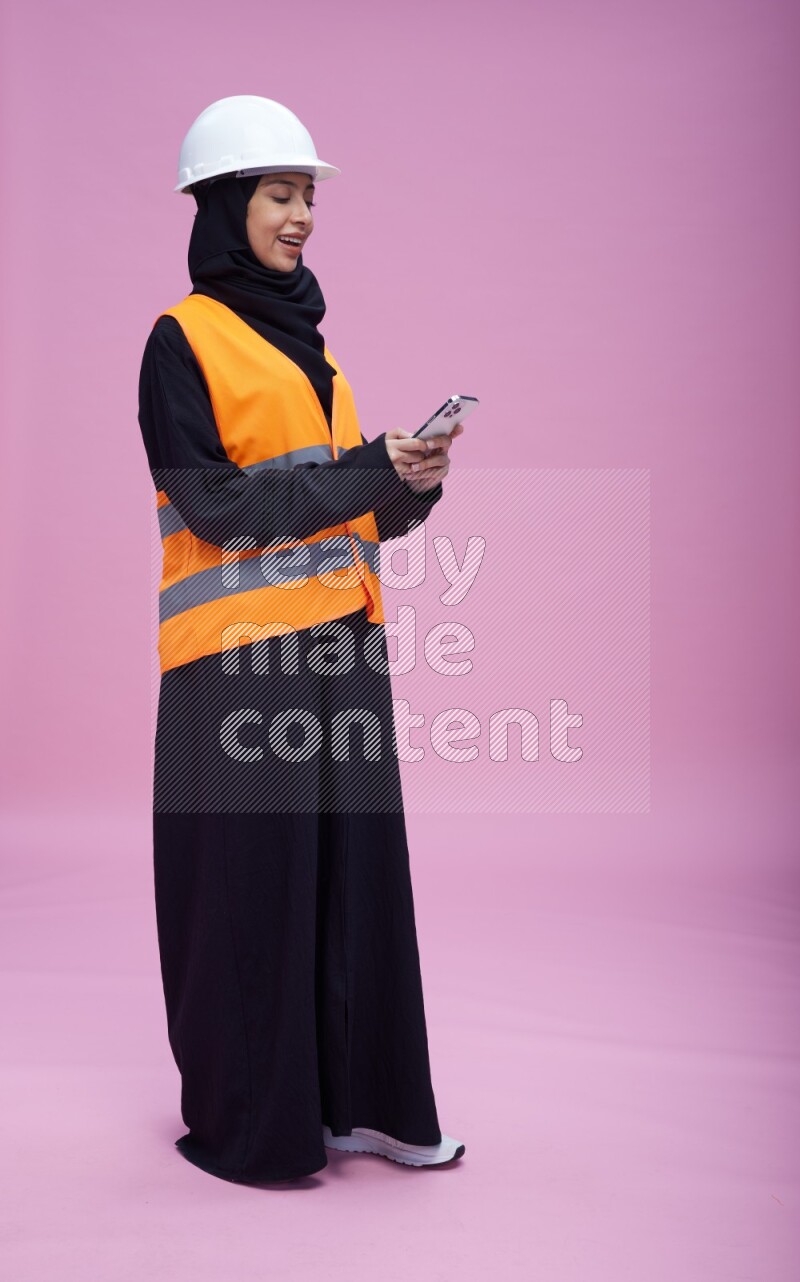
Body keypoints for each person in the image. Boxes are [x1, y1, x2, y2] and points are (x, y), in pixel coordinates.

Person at [137, 95, 466, 1183]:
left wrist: (406, 481)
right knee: (247, 894)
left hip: (338, 646)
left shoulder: (313, 353)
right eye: (279, 195)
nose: (300, 217)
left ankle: (362, 1108)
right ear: (225, 206)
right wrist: (359, 472)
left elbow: (342, 510)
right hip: (235, 662)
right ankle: (257, 1125)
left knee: (351, 883)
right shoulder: (181, 340)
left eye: (307, 197)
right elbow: (215, 506)